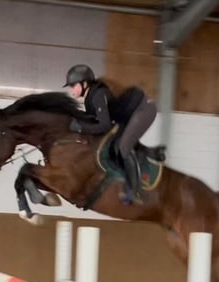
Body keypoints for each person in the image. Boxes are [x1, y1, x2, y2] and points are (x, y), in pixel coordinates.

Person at [62, 64, 162, 205]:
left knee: (123, 147)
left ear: (84, 84)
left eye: (73, 86)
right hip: (128, 116)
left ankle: (135, 190)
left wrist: (80, 128)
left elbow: (104, 125)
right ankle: (152, 153)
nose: (71, 90)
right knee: (116, 145)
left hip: (143, 110)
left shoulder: (98, 95)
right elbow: (93, 120)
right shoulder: (91, 97)